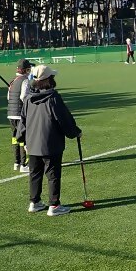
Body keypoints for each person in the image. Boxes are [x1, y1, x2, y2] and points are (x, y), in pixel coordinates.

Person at [19, 65, 81, 216]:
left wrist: (23, 140)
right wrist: (75, 132)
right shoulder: (53, 98)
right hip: (50, 143)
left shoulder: (28, 98)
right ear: (47, 79)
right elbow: (64, 119)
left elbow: (23, 122)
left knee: (35, 173)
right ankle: (54, 205)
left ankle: (34, 202)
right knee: (53, 174)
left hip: (33, 143)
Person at [8, 59, 34, 172]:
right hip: (20, 114)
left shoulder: (13, 81)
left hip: (11, 114)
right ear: (25, 70)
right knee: (23, 138)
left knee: (15, 139)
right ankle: (24, 165)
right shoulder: (25, 80)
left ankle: (17, 163)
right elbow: (23, 96)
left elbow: (9, 97)